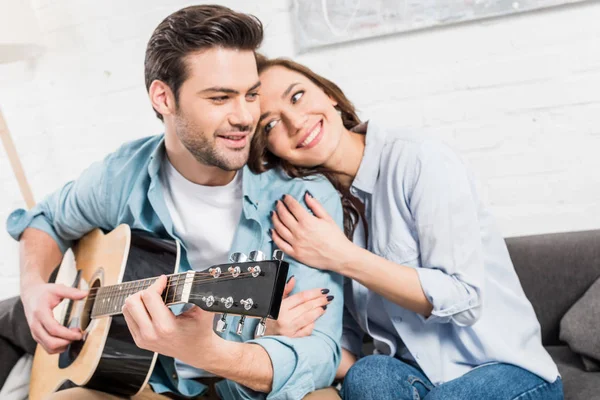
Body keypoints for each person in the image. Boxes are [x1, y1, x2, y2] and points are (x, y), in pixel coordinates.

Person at [1, 6, 344, 400]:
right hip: (151, 386)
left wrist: (211, 353)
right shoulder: (122, 174)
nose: (245, 116)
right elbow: (45, 220)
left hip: (256, 387)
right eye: (220, 98)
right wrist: (32, 290)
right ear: (163, 97)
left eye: (251, 95)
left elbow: (320, 354)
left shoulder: (301, 198)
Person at [248, 56, 564, 400]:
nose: (295, 122)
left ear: (329, 94)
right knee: (367, 374)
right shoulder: (313, 215)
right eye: (270, 125)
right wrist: (284, 334)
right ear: (270, 150)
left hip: (510, 371)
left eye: (297, 97)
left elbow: (464, 298)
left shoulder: (418, 159)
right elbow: (342, 344)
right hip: (417, 380)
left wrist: (341, 255)